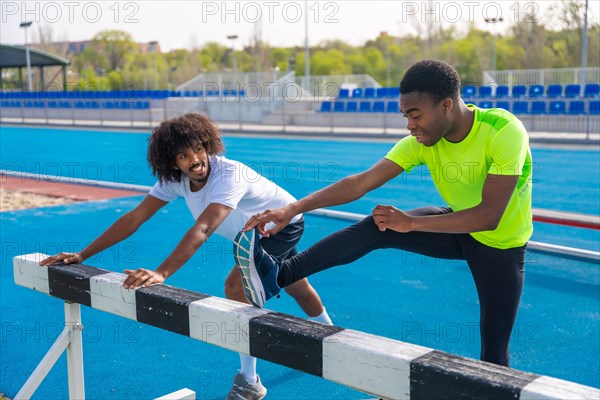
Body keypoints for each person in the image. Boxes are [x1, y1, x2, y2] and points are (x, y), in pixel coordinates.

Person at [235, 59, 532, 368]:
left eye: (415, 115)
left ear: (446, 105)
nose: (409, 125)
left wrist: (411, 222)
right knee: (378, 227)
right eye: (405, 116)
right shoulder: (422, 142)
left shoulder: (503, 130)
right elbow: (360, 182)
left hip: (500, 246)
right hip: (458, 226)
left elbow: (489, 216)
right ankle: (277, 277)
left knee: (494, 353)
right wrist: (293, 208)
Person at [39, 113, 332, 400]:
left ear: (208, 145)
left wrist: (162, 273)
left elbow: (203, 228)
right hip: (250, 235)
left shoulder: (229, 174)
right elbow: (136, 217)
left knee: (236, 286)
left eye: (198, 148)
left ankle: (248, 381)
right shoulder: (175, 180)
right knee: (296, 286)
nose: (194, 159)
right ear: (172, 162)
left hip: (281, 226)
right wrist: (83, 253)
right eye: (182, 155)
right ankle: (333, 336)